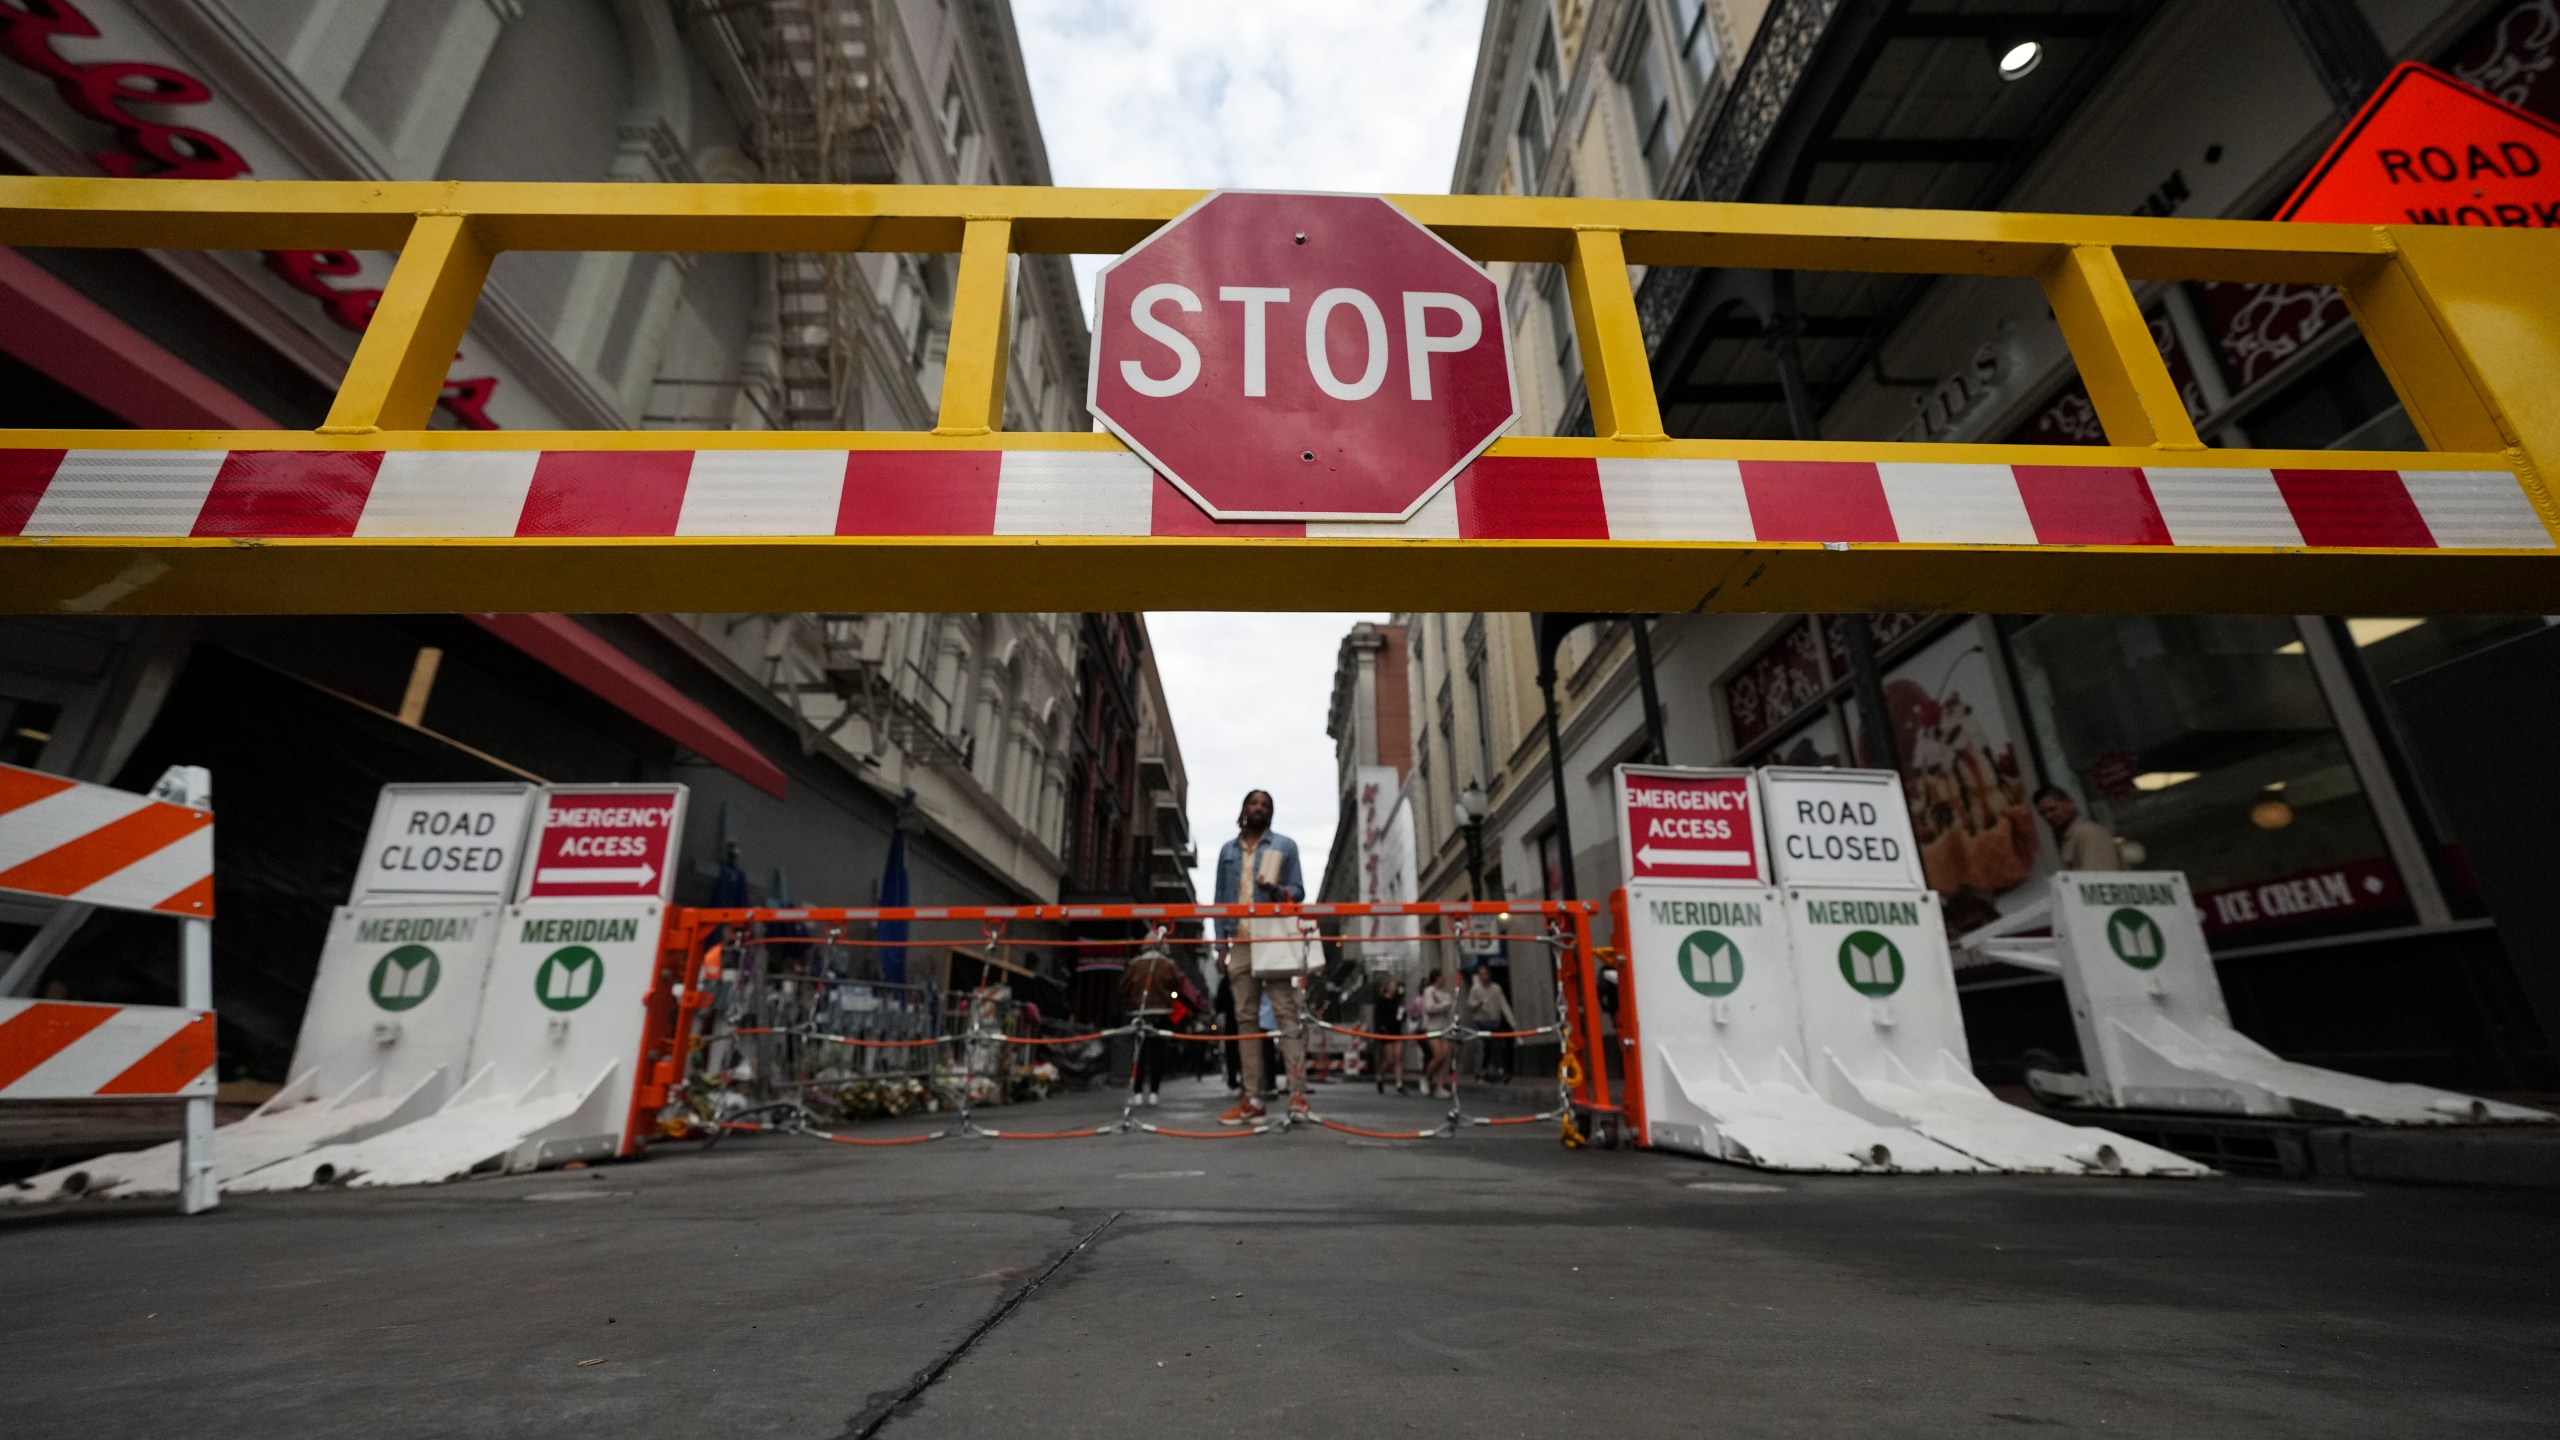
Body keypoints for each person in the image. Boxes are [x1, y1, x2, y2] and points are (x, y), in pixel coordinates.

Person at [1212, 789, 1308, 1125]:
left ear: (1271, 812)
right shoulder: (1227, 851)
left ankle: (1297, 1095)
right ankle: (1252, 1097)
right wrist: (1220, 946)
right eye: (1253, 804)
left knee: (1286, 1013)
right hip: (1239, 941)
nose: (1258, 809)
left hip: (1274, 937)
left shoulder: (1285, 846)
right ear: (1244, 809)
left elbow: (1298, 891)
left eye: (1265, 805)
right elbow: (1221, 899)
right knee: (1246, 1019)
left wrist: (1276, 891)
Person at [1118, 931, 1181, 1107]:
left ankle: (1137, 1092)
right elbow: (1176, 986)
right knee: (1157, 1055)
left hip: (1139, 1012)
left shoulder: (1135, 964)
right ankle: (1154, 1092)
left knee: (1139, 1054)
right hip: (1161, 1012)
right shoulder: (1168, 964)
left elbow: (1123, 986)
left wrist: (1131, 1000)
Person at [2034, 785, 2124, 872]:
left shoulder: (2088, 833)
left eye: (2052, 809)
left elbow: (2100, 880)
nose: (2048, 816)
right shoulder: (2071, 836)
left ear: (2070, 803)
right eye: (2043, 813)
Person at [1466, 967, 1517, 1083]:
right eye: (1481, 974)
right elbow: (1469, 1004)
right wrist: (1478, 1004)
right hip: (1481, 1021)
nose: (1484, 977)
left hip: (1494, 1021)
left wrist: (1512, 1021)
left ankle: (1498, 1070)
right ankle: (1483, 1071)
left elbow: (1503, 1005)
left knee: (1497, 1045)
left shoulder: (1496, 988)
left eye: (1485, 974)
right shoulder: (1476, 989)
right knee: (1486, 1045)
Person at [1419, 968, 1457, 1099]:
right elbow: (1430, 1008)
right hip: (1432, 1028)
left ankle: (1440, 1086)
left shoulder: (1445, 995)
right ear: (1437, 978)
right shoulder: (1429, 991)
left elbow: (1450, 1011)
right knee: (1438, 1057)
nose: (1445, 979)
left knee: (1444, 1059)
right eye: (1442, 977)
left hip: (1445, 1028)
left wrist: (1444, 1004)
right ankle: (1426, 1078)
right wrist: (1445, 1004)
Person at [1370, 975, 1408, 1094]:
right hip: (1386, 1032)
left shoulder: (1398, 1001)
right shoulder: (1381, 1002)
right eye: (1392, 985)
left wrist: (1402, 1015)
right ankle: (1381, 1075)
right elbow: (1378, 1018)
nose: (1394, 988)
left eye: (1395, 986)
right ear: (1387, 987)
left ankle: (1399, 1083)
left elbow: (1402, 1015)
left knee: (1398, 1056)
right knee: (1390, 1059)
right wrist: (1380, 1029)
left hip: (1396, 1031)